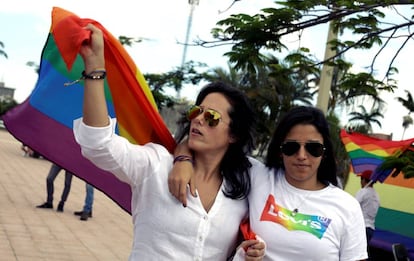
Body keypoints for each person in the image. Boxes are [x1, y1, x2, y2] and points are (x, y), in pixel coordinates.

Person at [72, 23, 264, 260]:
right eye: (196, 111)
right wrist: (95, 69)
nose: (199, 120)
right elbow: (98, 145)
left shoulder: (247, 179)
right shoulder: (156, 164)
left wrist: (251, 252)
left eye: (212, 117)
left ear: (234, 135)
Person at [170, 106, 368, 260]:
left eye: (313, 148)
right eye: (291, 147)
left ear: (324, 152)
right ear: (280, 150)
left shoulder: (347, 207)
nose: (301, 156)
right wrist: (182, 161)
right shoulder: (258, 176)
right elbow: (201, 143)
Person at [355, 169, 380, 259]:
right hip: (371, 228)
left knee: (355, 254)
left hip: (361, 227)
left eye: (361, 180)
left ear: (363, 180)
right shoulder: (376, 195)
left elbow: (353, 206)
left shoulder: (363, 192)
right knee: (362, 254)